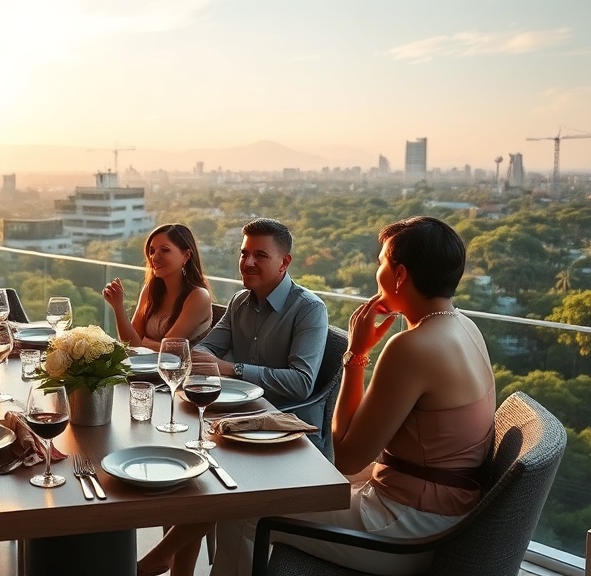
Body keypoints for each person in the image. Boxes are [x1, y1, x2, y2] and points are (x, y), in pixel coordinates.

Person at [140, 216, 496, 576]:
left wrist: (355, 358)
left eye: (381, 263)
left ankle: (162, 558)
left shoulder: (412, 347)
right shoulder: (465, 327)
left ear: (399, 274)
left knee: (243, 510)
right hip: (439, 510)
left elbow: (347, 458)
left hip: (406, 525)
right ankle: (164, 557)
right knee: (247, 488)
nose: (378, 272)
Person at [193, 218, 329, 414]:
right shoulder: (238, 301)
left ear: (284, 262)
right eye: (244, 254)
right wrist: (207, 362)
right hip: (235, 412)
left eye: (260, 255)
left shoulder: (310, 309)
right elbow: (206, 348)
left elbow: (301, 383)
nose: (248, 263)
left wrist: (233, 369)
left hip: (287, 422)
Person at [102, 223, 212, 348]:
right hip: (147, 366)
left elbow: (169, 349)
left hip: (184, 367)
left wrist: (142, 342)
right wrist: (118, 306)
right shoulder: (150, 289)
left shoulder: (199, 296)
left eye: (165, 250)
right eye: (152, 251)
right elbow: (130, 344)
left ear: (186, 255)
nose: (154, 257)